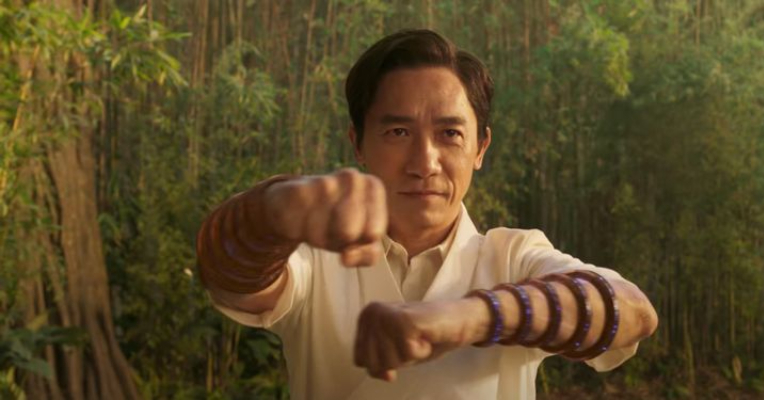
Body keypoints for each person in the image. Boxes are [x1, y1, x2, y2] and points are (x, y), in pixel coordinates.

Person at [196, 29, 658, 400]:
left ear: (481, 147)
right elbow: (228, 274)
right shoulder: (314, 259)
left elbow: (633, 312)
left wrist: (468, 318)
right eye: (398, 132)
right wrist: (274, 211)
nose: (424, 163)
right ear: (358, 144)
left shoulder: (513, 257)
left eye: (449, 134)